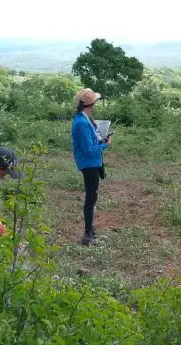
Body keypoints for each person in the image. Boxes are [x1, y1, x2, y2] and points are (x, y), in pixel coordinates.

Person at [71, 88, 112, 246]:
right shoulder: (82, 122)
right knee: (90, 198)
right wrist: (104, 146)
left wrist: (100, 142)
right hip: (89, 164)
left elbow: (89, 144)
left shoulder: (84, 118)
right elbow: (88, 150)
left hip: (92, 163)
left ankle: (90, 231)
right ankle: (88, 235)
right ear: (92, 104)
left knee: (92, 197)